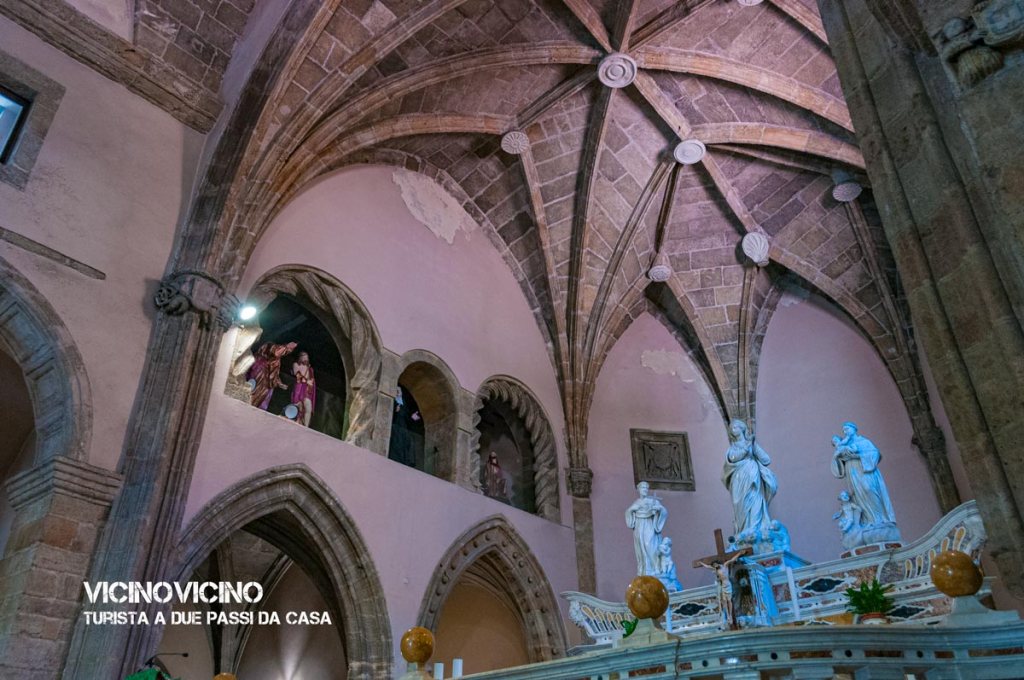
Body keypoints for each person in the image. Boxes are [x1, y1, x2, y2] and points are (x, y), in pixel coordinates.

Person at [830, 422, 899, 541]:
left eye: (847, 429)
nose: (845, 431)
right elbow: (838, 466)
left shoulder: (864, 442)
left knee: (869, 489)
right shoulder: (844, 445)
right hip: (852, 473)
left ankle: (879, 520)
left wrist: (856, 456)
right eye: (844, 430)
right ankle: (867, 522)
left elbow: (874, 454)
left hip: (865, 470)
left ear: (854, 429)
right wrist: (837, 456)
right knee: (858, 496)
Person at [722, 419, 777, 545]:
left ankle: (755, 531)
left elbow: (766, 459)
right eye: (731, 428)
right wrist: (746, 448)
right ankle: (744, 531)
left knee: (756, 502)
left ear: (742, 428)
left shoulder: (751, 443)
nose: (733, 429)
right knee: (742, 508)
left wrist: (753, 445)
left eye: (735, 426)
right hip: (739, 481)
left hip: (754, 479)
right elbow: (732, 458)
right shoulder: (733, 448)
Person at [624, 481, 668, 576]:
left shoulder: (653, 501)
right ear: (639, 490)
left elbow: (664, 511)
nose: (645, 490)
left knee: (650, 546)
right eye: (643, 488)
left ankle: (655, 569)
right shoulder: (636, 502)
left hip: (649, 525)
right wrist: (632, 509)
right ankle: (644, 572)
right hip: (639, 527)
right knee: (640, 548)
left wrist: (659, 509)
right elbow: (629, 514)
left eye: (646, 488)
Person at [697, 551, 745, 630]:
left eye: (715, 564)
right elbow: (707, 567)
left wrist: (740, 553)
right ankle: (729, 616)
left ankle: (731, 616)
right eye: (714, 565)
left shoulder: (725, 565)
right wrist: (701, 563)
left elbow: (732, 560)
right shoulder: (716, 569)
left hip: (728, 584)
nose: (715, 566)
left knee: (729, 600)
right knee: (724, 601)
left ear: (718, 563)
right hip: (723, 585)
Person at [247, 341, 297, 410]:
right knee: (254, 396)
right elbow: (276, 352)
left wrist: (279, 383)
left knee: (259, 400)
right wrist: (287, 347)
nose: (290, 350)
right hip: (260, 376)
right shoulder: (270, 346)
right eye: (291, 348)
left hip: (265, 380)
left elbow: (274, 373)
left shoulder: (276, 359)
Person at [291, 351, 316, 427]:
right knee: (298, 407)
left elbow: (312, 379)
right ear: (300, 357)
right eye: (304, 356)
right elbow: (297, 375)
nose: (306, 357)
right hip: (300, 388)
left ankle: (306, 427)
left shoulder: (310, 368)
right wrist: (306, 381)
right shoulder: (296, 364)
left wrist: (311, 382)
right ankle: (296, 423)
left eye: (307, 356)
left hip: (308, 390)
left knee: (308, 407)